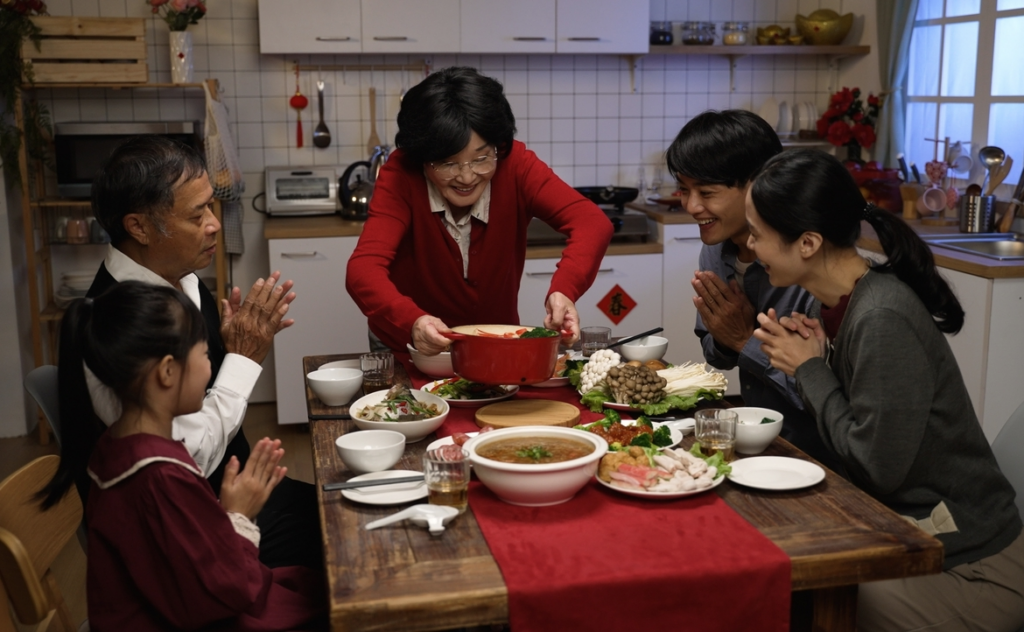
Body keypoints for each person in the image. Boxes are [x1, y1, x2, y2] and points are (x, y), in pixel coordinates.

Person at [748, 149, 1024, 631]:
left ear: (808, 242)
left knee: (782, 593)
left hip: (968, 565)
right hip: (910, 537)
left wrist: (810, 371)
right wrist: (816, 362)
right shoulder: (844, 301)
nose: (750, 246)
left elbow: (878, 468)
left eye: (757, 234)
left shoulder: (880, 317)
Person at [86, 136, 321, 570]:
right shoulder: (121, 322)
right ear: (138, 227)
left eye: (211, 207)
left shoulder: (181, 278)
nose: (213, 224)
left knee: (352, 505)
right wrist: (243, 361)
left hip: (241, 490)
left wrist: (226, 350)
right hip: (196, 531)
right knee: (353, 548)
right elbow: (186, 456)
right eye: (198, 215)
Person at [39, 282, 326, 630]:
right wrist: (238, 514)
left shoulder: (120, 446)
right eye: (205, 354)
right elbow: (225, 591)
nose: (210, 368)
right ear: (167, 372)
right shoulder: (158, 476)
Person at [346, 66, 613, 355]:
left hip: (494, 345)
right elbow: (362, 270)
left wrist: (564, 291)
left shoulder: (515, 164)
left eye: (482, 158)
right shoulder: (401, 173)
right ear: (421, 157)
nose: (466, 176)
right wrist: (413, 321)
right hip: (410, 344)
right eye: (448, 163)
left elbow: (592, 222)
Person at [664, 110, 838, 471]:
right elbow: (718, 355)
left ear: (759, 184)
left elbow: (822, 398)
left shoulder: (803, 260)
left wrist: (744, 339)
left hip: (814, 457)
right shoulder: (715, 245)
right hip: (755, 441)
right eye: (684, 189)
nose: (692, 206)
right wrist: (729, 337)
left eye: (706, 192)